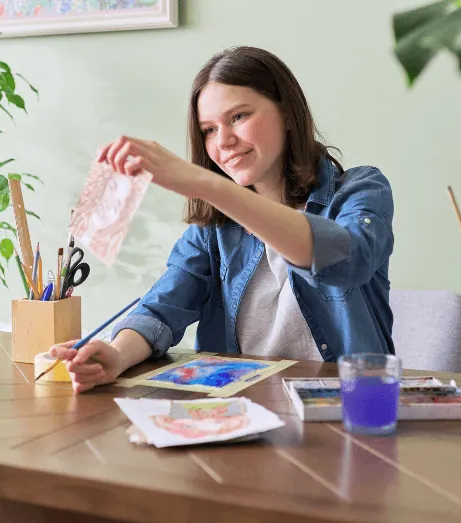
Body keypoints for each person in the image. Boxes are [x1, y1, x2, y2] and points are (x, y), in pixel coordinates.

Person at [50, 46, 395, 393]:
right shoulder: (212, 229)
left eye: (238, 117)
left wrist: (207, 185)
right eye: (209, 129)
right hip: (244, 414)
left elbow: (348, 259)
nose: (224, 141)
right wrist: (114, 354)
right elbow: (161, 308)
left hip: (349, 411)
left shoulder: (360, 189)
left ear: (288, 113)